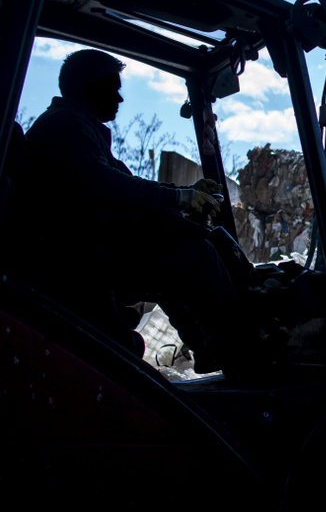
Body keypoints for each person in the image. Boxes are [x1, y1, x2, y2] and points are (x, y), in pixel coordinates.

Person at [20, 48, 276, 376]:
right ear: (90, 87)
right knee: (197, 255)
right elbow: (110, 185)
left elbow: (125, 182)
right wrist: (181, 199)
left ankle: (212, 352)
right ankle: (247, 357)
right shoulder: (65, 127)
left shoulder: (74, 127)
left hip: (83, 245)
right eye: (113, 87)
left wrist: (184, 195)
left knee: (183, 253)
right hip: (74, 254)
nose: (120, 98)